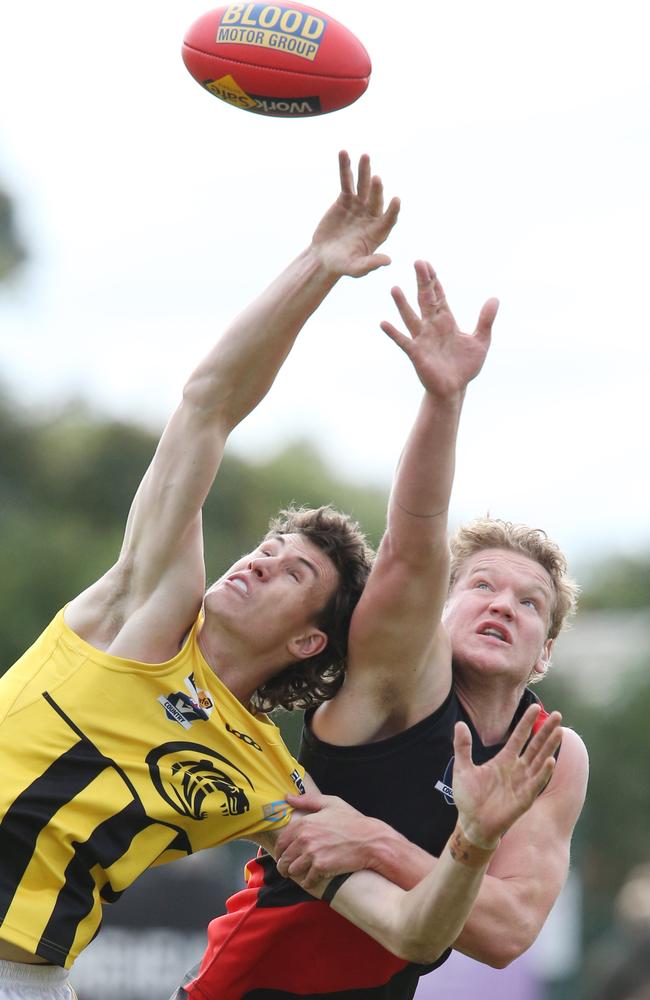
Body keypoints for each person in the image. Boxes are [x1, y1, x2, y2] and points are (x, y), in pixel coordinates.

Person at [0, 153, 561, 1000]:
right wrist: (318, 265)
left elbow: (414, 931)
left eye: (290, 567)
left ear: (309, 638)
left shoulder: (271, 781)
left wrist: (473, 843)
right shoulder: (144, 610)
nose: (257, 558)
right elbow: (207, 404)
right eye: (263, 548)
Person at [171, 261, 589, 1000]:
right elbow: (411, 542)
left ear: (547, 650)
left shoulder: (547, 753)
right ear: (443, 607)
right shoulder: (400, 682)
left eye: (530, 604)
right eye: (482, 586)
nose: (502, 606)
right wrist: (443, 400)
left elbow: (506, 932)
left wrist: (374, 841)